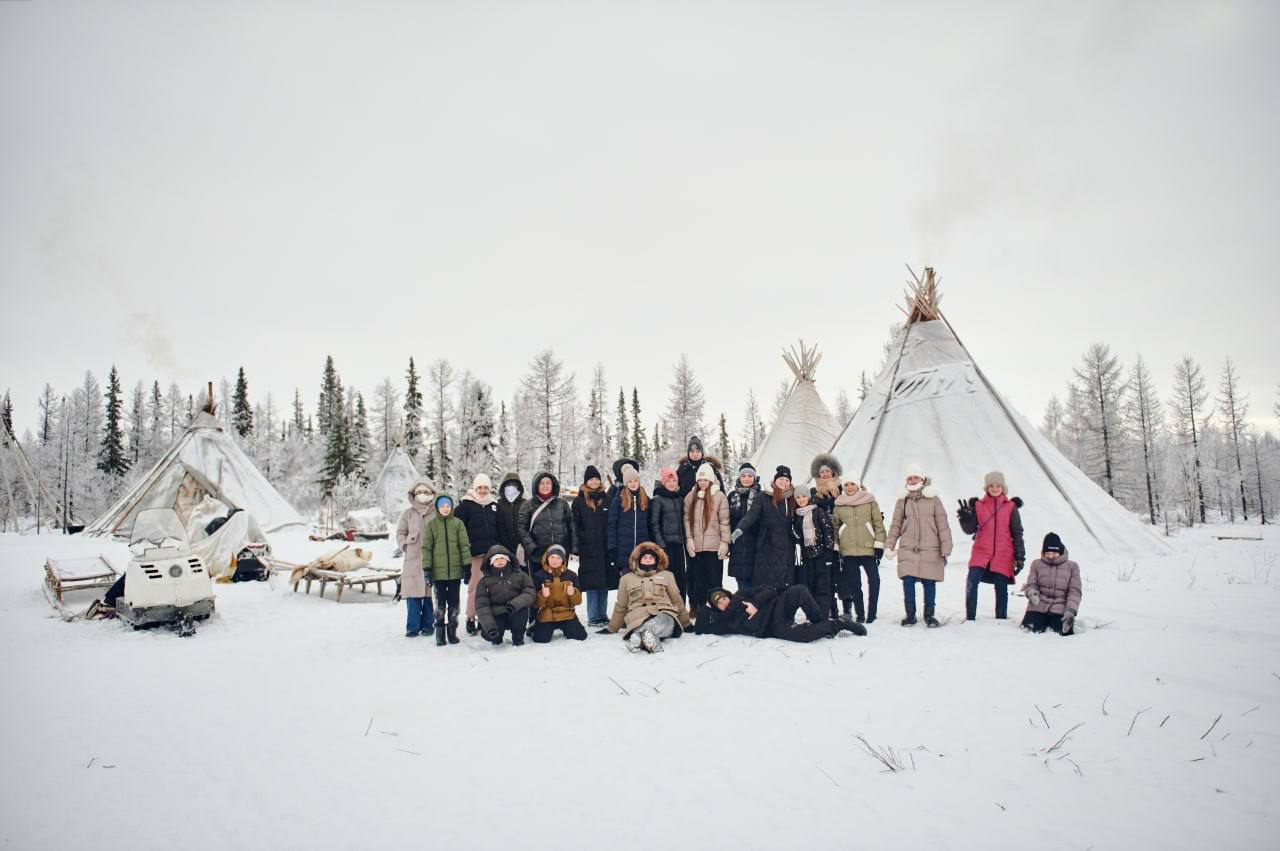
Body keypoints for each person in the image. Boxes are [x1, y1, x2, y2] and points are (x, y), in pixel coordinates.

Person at [885, 464, 952, 628]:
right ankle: (910, 615)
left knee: (929, 583)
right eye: (909, 477)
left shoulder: (933, 499)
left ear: (922, 479)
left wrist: (946, 546)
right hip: (908, 547)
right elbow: (896, 524)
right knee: (907, 581)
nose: (913, 480)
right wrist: (889, 545)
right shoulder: (903, 501)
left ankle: (929, 615)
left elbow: (942, 524)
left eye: (916, 477)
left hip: (931, 548)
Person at [957, 471, 1026, 621]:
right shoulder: (978, 505)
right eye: (991, 486)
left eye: (998, 485)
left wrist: (1020, 556)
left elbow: (1017, 532)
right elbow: (969, 530)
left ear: (1003, 487)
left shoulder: (1011, 507)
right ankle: (970, 618)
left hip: (1003, 553)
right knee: (972, 581)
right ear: (986, 488)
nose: (994, 488)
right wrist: (964, 518)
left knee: (1001, 587)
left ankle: (1000, 619)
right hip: (981, 551)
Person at [603, 542, 691, 653]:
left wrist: (686, 623)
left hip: (664, 614)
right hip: (638, 618)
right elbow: (621, 605)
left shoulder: (667, 575)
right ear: (638, 560)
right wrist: (612, 628)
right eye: (645, 557)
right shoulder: (626, 579)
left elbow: (676, 600)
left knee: (664, 620)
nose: (648, 560)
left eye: (651, 557)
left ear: (657, 560)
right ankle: (644, 637)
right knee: (640, 625)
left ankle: (638, 638)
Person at [695, 586, 866, 642]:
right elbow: (700, 627)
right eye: (718, 603)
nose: (723, 602)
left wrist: (755, 603)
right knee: (803, 636)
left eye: (723, 598)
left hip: (776, 607)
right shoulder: (724, 621)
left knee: (799, 590)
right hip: (771, 628)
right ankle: (837, 624)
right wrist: (705, 608)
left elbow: (770, 590)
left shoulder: (741, 595)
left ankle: (821, 620)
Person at [832, 478, 887, 623]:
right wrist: (836, 547)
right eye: (846, 485)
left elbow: (878, 524)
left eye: (852, 484)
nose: (849, 487)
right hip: (848, 549)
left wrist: (879, 545)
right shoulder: (839, 504)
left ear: (858, 485)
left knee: (874, 580)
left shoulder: (870, 501)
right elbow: (835, 527)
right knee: (854, 583)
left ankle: (872, 613)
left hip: (868, 547)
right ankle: (860, 614)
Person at [423, 494, 472, 645]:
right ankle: (439, 633)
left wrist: (466, 566)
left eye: (448, 506)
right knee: (440, 604)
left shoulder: (458, 524)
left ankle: (452, 632)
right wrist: (427, 569)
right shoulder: (431, 525)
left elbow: (464, 546)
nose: (445, 508)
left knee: (454, 603)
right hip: (438, 574)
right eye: (443, 506)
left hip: (455, 573)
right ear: (438, 507)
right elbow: (426, 548)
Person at [683, 462, 730, 615]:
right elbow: (687, 520)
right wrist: (689, 539)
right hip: (696, 546)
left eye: (705, 480)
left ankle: (716, 607)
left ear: (711, 480)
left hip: (714, 546)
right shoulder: (691, 496)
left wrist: (725, 542)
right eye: (700, 480)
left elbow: (725, 521)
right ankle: (698, 607)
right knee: (697, 578)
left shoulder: (719, 496)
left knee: (714, 579)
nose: (702, 483)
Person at [456, 473, 500, 636]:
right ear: (475, 488)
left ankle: (485, 618)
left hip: (492, 555)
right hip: (474, 555)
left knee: (490, 587)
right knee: (474, 587)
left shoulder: (493, 505)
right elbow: (458, 529)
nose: (482, 491)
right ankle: (470, 617)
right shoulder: (466, 505)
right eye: (480, 487)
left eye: (485, 487)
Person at [395, 478, 436, 637]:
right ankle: (412, 627)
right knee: (412, 596)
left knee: (428, 594)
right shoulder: (408, 513)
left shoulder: (436, 512)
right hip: (412, 559)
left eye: (426, 492)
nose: (422, 495)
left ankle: (428, 625)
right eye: (419, 492)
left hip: (430, 559)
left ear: (432, 494)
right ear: (414, 494)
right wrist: (404, 544)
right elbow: (400, 533)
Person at [572, 465, 613, 627]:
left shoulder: (607, 499)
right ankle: (594, 616)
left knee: (604, 581)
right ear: (586, 482)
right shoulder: (579, 501)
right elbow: (574, 525)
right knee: (591, 581)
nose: (595, 482)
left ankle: (602, 614)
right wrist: (577, 546)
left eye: (597, 479)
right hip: (588, 547)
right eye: (591, 479)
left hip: (604, 547)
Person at [1020, 533, 1082, 636]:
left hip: (1060, 607)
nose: (1050, 556)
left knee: (1064, 632)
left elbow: (1074, 592)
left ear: (1060, 551)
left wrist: (1070, 611)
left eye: (1054, 553)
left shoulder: (1072, 567)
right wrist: (1031, 593)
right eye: (1047, 553)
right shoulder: (1036, 564)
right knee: (1029, 629)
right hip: (1039, 605)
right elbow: (1031, 584)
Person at [749, 465, 799, 590]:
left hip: (786, 545)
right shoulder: (764, 496)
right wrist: (739, 530)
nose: (784, 482)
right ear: (775, 480)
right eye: (781, 479)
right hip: (767, 543)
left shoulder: (792, 497)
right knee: (766, 580)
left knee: (784, 580)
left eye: (787, 480)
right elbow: (752, 515)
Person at [475, 545, 536, 646]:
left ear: (508, 559)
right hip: (497, 612)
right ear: (491, 562)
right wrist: (489, 627)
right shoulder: (484, 581)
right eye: (496, 559)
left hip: (515, 608)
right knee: (493, 632)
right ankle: (496, 638)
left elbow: (529, 592)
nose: (500, 561)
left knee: (520, 615)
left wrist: (515, 604)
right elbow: (482, 605)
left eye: (502, 558)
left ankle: (518, 638)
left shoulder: (520, 575)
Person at [517, 472, 575, 577]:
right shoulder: (528, 505)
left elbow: (572, 526)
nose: (545, 486)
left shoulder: (562, 504)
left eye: (548, 483)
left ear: (553, 485)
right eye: (541, 483)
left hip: (559, 555)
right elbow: (522, 529)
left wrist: (572, 547)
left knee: (560, 586)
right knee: (538, 588)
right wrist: (533, 548)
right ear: (536, 485)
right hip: (537, 555)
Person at [792, 488, 837, 617]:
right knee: (810, 586)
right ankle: (815, 615)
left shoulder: (818, 512)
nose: (801, 500)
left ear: (808, 497)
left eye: (803, 497)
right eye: (798, 497)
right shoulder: (796, 515)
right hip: (807, 557)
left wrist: (828, 554)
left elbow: (828, 532)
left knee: (823, 586)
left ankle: (827, 615)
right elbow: (797, 537)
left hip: (821, 555)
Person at [649, 466, 689, 604]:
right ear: (663, 483)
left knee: (680, 576)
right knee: (666, 576)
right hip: (665, 545)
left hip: (678, 543)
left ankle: (681, 605)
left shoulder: (679, 498)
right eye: (668, 481)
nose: (672, 484)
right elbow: (654, 523)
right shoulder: (658, 499)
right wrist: (661, 544)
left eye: (674, 481)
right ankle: (667, 606)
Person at [531, 544, 587, 642]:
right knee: (540, 639)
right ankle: (533, 627)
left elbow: (578, 601)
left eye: (558, 557)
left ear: (563, 560)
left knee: (580, 636)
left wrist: (573, 593)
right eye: (552, 557)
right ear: (547, 558)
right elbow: (534, 604)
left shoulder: (571, 575)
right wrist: (542, 596)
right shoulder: (538, 576)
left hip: (566, 613)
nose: (555, 560)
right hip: (547, 615)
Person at [607, 463, 652, 577]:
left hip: (642, 552)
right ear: (625, 483)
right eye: (630, 481)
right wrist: (612, 548)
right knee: (628, 586)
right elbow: (612, 525)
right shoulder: (618, 500)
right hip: (624, 552)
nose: (633, 484)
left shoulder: (645, 499)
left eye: (635, 481)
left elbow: (650, 524)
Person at [727, 462, 764, 591]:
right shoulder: (732, 496)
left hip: (756, 547)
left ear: (754, 478)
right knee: (742, 586)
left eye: (750, 476)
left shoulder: (761, 496)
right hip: (738, 547)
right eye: (744, 476)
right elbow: (728, 522)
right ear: (739, 478)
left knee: (757, 585)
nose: (747, 478)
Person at [495, 472, 526, 562]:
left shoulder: (525, 504)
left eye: (514, 484)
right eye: (508, 484)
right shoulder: (498, 504)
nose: (511, 487)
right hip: (502, 549)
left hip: (521, 549)